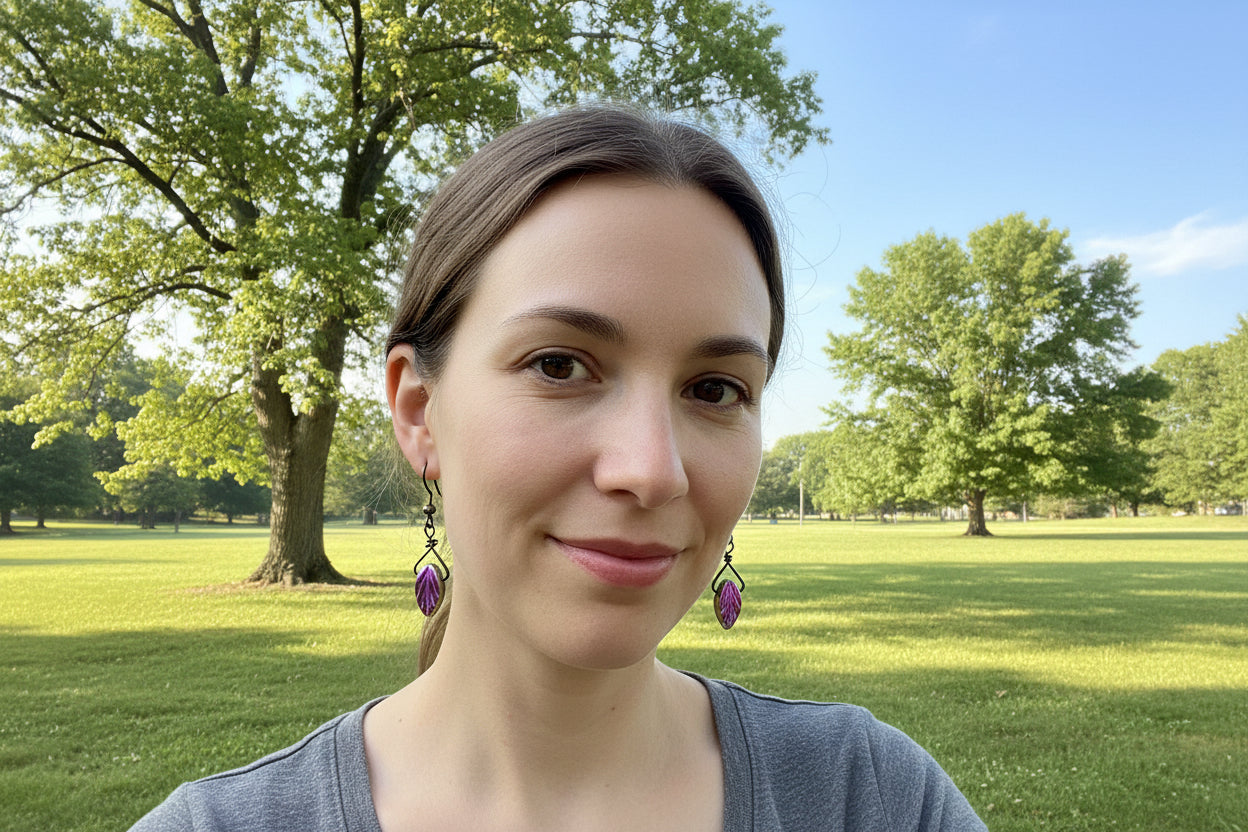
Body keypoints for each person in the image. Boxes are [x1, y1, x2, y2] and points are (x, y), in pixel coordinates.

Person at [131, 106, 987, 831]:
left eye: (716, 388)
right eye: (559, 365)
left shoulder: (866, 798)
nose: (651, 471)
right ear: (418, 409)